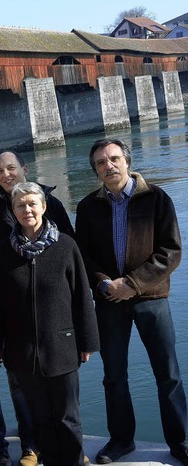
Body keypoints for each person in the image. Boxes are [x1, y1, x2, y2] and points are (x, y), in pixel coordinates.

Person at [76, 138, 188, 465]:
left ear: (126, 161)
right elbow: (84, 254)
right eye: (100, 162)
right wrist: (105, 283)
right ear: (96, 170)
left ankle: (180, 440)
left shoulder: (156, 197)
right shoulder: (87, 207)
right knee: (114, 375)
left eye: (113, 159)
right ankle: (121, 441)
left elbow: (171, 251)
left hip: (152, 297)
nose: (108, 166)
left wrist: (134, 284)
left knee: (168, 373)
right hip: (110, 299)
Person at [0, 150, 75, 466]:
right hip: (12, 311)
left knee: (63, 395)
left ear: (24, 169)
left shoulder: (52, 204)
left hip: (53, 314)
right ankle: (32, 446)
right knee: (21, 387)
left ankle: (71, 449)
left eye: (11, 168)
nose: (5, 174)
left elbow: (71, 261)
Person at [0, 182, 99, 466]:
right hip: (21, 350)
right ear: (13, 211)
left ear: (44, 207)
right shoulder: (3, 252)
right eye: (20, 205)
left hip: (62, 346)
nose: (27, 210)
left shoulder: (65, 246)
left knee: (67, 417)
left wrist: (87, 341)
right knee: (40, 418)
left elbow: (81, 296)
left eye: (31, 204)